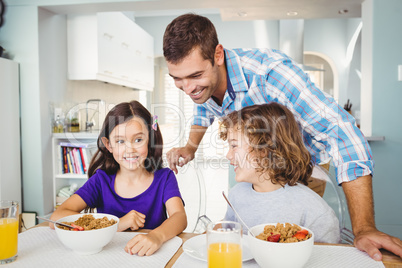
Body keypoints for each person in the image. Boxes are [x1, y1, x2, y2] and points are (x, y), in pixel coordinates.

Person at [163, 13, 402, 260]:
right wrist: (190, 147)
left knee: (293, 247)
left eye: (195, 76)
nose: (188, 88)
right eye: (177, 79)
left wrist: (363, 228)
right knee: (261, 245)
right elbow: (203, 107)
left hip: (304, 171)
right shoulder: (203, 85)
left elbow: (343, 134)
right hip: (259, 174)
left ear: (218, 55)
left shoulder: (270, 74)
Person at [50, 100, 187, 256]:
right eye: (120, 141)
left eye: (138, 140)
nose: (130, 149)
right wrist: (116, 224)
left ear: (150, 140)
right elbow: (58, 217)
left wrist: (156, 236)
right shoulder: (101, 180)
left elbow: (180, 217)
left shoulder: (164, 178)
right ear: (108, 145)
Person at [220, 103, 340, 243]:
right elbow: (227, 237)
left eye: (234, 146)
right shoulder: (236, 195)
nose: (228, 155)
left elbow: (329, 258)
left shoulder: (315, 212)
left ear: (264, 149)